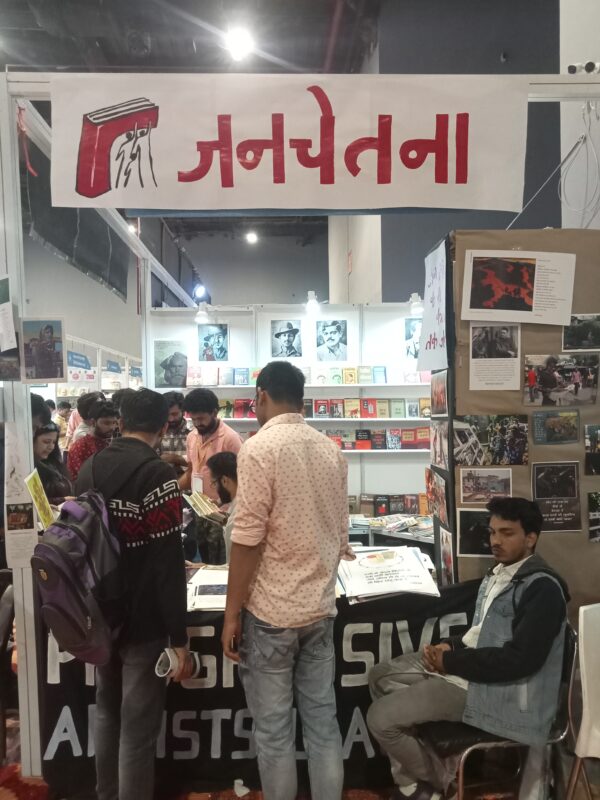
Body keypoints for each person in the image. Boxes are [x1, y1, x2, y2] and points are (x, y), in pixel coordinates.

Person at [367, 497, 569, 800]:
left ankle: (436, 782)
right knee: (380, 676)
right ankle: (420, 780)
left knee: (380, 720)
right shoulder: (500, 574)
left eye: (507, 533)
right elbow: (481, 633)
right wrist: (449, 646)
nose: (495, 541)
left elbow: (519, 661)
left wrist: (450, 662)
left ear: (531, 538)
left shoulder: (543, 590)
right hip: (472, 672)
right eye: (492, 532)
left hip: (497, 693)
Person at [222, 361, 351, 800]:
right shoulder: (330, 449)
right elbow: (340, 531)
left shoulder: (258, 448)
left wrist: (231, 614)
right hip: (320, 609)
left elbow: (247, 540)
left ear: (260, 396)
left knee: (275, 732)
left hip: (271, 614)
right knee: (323, 724)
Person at [75, 389, 190, 800]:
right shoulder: (157, 475)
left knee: (107, 712)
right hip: (143, 617)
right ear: (162, 426)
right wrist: (179, 638)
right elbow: (167, 562)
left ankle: (107, 794)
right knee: (138, 730)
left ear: (122, 422)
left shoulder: (89, 467)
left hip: (98, 611)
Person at [179, 389, 242, 497]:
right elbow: (190, 472)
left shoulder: (231, 439)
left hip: (223, 507)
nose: (197, 424)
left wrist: (221, 503)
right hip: (197, 503)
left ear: (214, 413)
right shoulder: (191, 437)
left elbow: (241, 480)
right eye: (193, 419)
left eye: (201, 419)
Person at [67, 400, 117, 481]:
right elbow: (81, 479)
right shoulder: (80, 446)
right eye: (107, 423)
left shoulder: (110, 442)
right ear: (93, 422)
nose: (112, 428)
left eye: (114, 423)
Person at [206, 451, 238, 561]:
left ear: (224, 481)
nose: (215, 488)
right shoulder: (239, 503)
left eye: (214, 483)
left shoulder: (237, 517)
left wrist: (204, 567)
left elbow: (234, 565)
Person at [33, 422, 73, 505]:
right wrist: (62, 500)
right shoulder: (29, 468)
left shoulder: (54, 463)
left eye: (54, 442)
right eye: (46, 442)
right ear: (32, 440)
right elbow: (35, 503)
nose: (51, 447)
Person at [158, 391, 190, 476]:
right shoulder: (156, 433)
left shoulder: (193, 433)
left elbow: (200, 463)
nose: (170, 419)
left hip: (189, 482)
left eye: (174, 414)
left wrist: (175, 459)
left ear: (183, 412)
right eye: (167, 414)